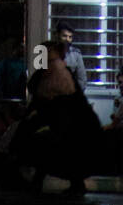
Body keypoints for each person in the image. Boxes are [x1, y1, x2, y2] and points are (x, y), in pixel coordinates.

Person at [14, 42, 101, 196]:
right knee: (55, 150)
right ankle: (70, 184)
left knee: (49, 148)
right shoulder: (59, 71)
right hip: (73, 127)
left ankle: (39, 182)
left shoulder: (55, 73)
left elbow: (41, 94)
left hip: (70, 128)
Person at [54, 21, 87, 89]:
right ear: (57, 35)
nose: (68, 39)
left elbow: (82, 80)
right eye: (64, 36)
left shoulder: (76, 54)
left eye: (70, 37)